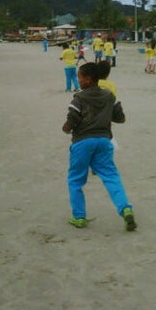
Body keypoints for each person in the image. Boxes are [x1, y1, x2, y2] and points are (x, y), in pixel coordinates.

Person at [62, 62, 137, 231]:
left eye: (80, 77)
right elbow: (120, 118)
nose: (79, 80)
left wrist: (66, 128)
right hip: (104, 141)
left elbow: (72, 119)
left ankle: (79, 217)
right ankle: (125, 208)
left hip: (82, 142)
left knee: (75, 180)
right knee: (111, 176)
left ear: (88, 79)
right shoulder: (109, 96)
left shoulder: (79, 98)